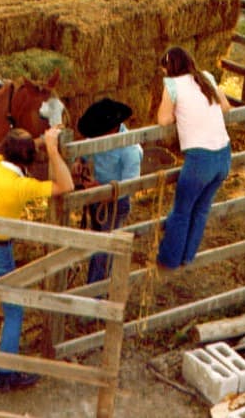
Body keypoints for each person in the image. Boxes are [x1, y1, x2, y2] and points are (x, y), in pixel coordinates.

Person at [0, 126, 74, 392]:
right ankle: (5, 373)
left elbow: (10, 152)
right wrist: (53, 149)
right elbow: (66, 185)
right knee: (13, 310)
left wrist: (39, 141)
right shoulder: (22, 187)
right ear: (27, 160)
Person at [156, 46, 232, 269]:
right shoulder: (206, 77)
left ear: (169, 69)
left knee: (181, 211)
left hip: (200, 159)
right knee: (201, 210)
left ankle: (169, 261)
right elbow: (226, 106)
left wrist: (178, 112)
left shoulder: (172, 85)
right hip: (223, 155)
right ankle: (187, 258)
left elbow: (163, 119)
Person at [75, 98, 143, 284]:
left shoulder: (130, 150)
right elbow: (86, 150)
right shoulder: (98, 137)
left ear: (113, 129)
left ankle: (96, 294)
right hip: (98, 197)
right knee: (98, 243)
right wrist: (79, 161)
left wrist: (101, 189)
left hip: (115, 201)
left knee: (104, 251)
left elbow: (130, 186)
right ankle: (95, 288)